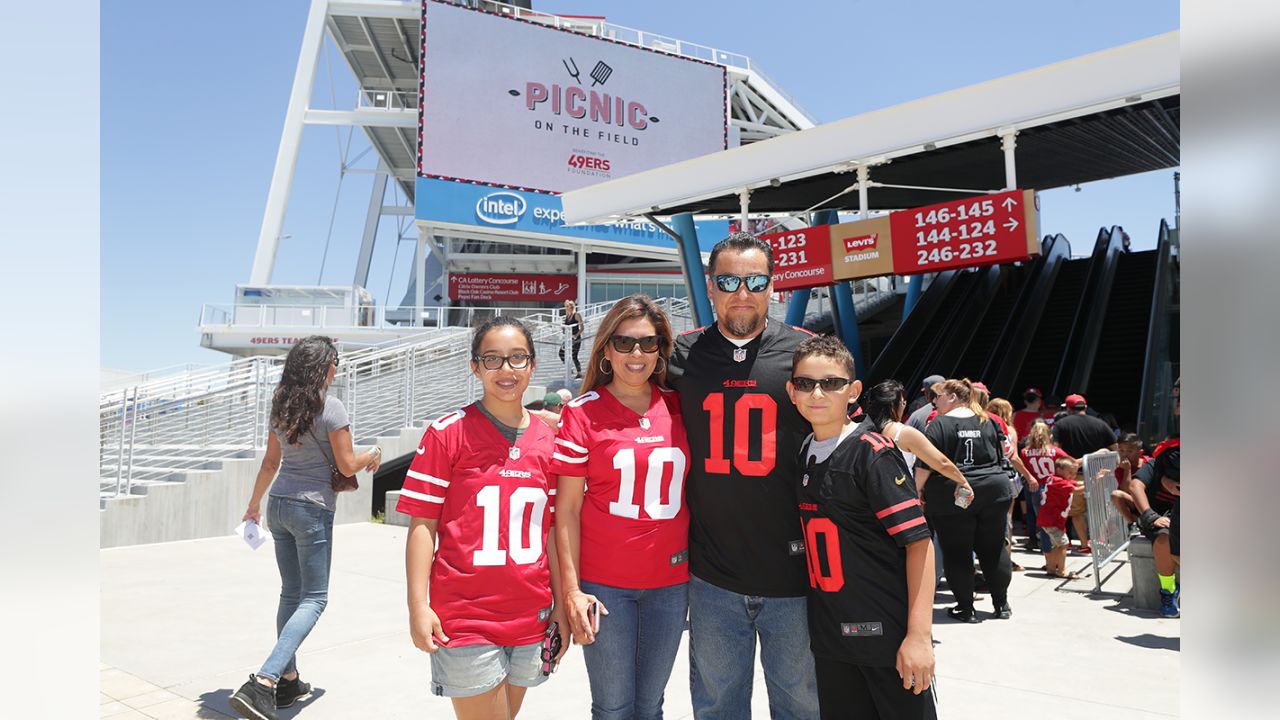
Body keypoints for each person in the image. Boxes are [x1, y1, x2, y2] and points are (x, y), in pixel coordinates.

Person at [667, 232, 820, 718]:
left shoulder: (806, 354)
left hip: (795, 575)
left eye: (755, 281)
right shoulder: (678, 356)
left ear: (773, 287)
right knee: (717, 708)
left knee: (801, 707)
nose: (742, 292)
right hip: (713, 578)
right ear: (710, 286)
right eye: (729, 280)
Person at [397, 317, 570, 718]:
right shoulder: (447, 433)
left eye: (516, 358)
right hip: (466, 615)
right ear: (474, 367)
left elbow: (550, 533)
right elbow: (423, 524)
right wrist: (417, 605)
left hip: (532, 615)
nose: (505, 370)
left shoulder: (550, 442)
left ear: (532, 365)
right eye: (492, 359)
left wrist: (560, 605)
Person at [552, 294, 690, 720]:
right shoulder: (581, 414)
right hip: (604, 585)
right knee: (613, 708)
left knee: (650, 707)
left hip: (671, 583)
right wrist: (573, 592)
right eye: (625, 342)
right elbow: (567, 511)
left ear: (660, 350)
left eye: (648, 344)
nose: (637, 353)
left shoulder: (682, 406)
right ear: (606, 350)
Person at [231, 336, 383, 720]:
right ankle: (264, 681)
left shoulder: (280, 404)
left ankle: (289, 678)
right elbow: (347, 464)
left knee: (290, 594)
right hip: (311, 509)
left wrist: (253, 506)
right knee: (314, 599)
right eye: (336, 361)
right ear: (323, 366)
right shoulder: (330, 406)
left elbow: (270, 462)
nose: (338, 368)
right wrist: (374, 454)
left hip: (278, 504)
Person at [787, 337, 939, 719]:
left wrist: (919, 637)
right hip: (831, 639)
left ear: (853, 391)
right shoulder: (807, 448)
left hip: (884, 638)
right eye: (805, 383)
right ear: (791, 391)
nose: (817, 393)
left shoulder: (872, 453)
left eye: (831, 383)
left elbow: (919, 544)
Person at [915, 379, 1015, 623]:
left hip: (953, 493)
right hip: (993, 489)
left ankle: (966, 607)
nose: (934, 402)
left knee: (957, 552)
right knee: (993, 548)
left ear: (951, 397)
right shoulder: (988, 420)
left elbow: (927, 462)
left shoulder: (939, 424)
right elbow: (1004, 453)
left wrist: (916, 491)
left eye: (938, 397)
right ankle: (1001, 604)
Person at [1050, 394, 1116, 553]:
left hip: (1073, 475)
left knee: (1077, 512)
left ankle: (1084, 545)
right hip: (1099, 472)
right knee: (1099, 508)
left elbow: (1055, 449)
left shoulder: (1060, 425)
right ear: (1085, 407)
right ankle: (1100, 541)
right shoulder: (1101, 424)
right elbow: (1114, 448)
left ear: (1068, 409)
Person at [1129, 437, 1181, 617]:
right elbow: (1135, 486)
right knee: (1163, 540)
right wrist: (1150, 515)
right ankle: (1168, 591)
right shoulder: (1156, 464)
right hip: (1159, 517)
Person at [1019, 420, 1073, 553]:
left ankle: (1042, 547)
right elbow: (1071, 462)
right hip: (1052, 489)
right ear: (1049, 435)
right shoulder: (1056, 451)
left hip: (1035, 488)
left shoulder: (1025, 452)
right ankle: (1053, 551)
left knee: (1038, 519)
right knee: (1053, 522)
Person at [1036, 457, 1083, 580]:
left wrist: (1091, 480)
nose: (1073, 476)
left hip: (1050, 520)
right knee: (1063, 544)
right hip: (1052, 520)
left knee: (1057, 545)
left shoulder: (1054, 479)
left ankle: (1051, 569)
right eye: (1070, 473)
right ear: (1059, 470)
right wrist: (1095, 482)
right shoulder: (1060, 482)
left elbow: (1077, 483)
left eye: (1075, 473)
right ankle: (1061, 571)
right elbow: (1077, 489)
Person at [559, 299, 585, 379]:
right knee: (561, 353)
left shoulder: (576, 315)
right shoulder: (567, 316)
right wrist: (563, 329)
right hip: (568, 338)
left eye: (567, 306)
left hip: (575, 339)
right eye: (565, 306)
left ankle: (579, 373)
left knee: (574, 356)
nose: (566, 308)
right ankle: (569, 369)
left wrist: (576, 335)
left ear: (571, 306)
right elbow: (566, 327)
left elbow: (582, 328)